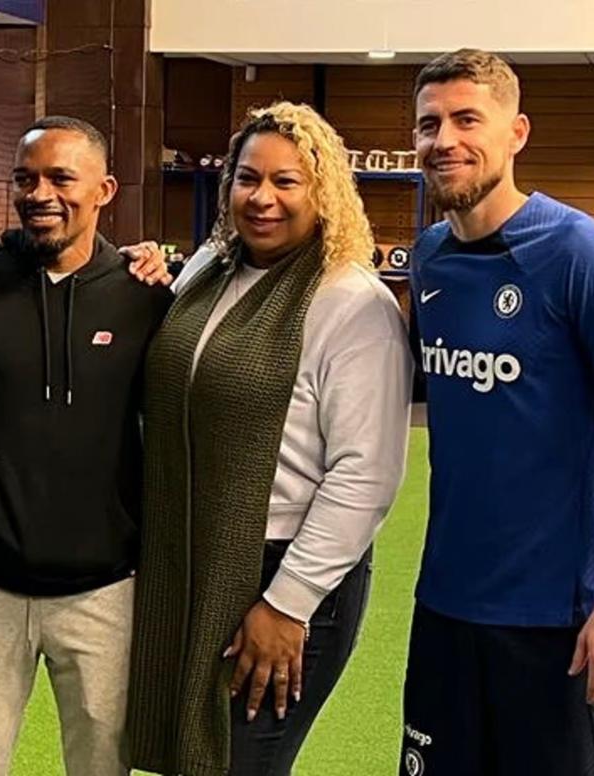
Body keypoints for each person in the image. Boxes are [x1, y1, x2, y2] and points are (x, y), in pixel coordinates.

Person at [400, 49, 594, 776]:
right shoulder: (429, 257)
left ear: (516, 132)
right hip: (447, 608)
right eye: (429, 124)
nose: (445, 140)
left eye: (469, 119)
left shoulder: (580, 253)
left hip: (558, 621)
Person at [127, 101, 413, 776]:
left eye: (287, 182)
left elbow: (364, 473)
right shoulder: (208, 271)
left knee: (241, 764)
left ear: (325, 192)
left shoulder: (351, 301)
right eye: (247, 179)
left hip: (281, 578)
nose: (262, 198)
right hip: (187, 559)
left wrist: (287, 605)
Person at [0, 116, 173, 776]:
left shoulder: (150, 297)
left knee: (102, 768)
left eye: (61, 177)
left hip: (105, 590)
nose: (40, 193)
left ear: (104, 189)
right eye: (26, 178)